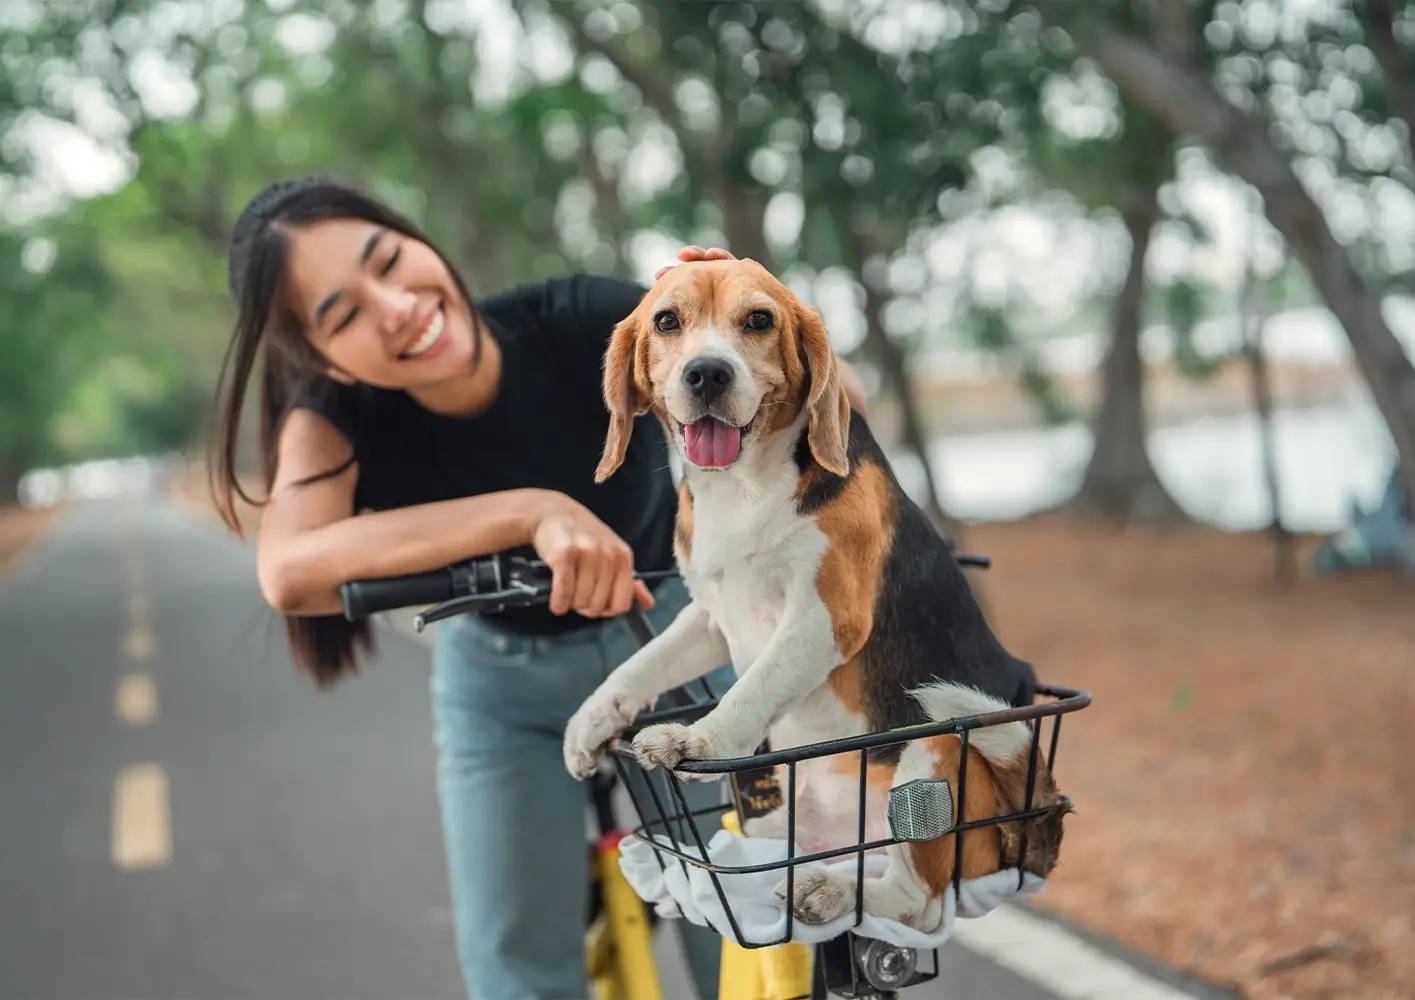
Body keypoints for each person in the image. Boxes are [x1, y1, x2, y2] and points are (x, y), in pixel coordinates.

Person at [210, 176, 864, 1000]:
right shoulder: (331, 416)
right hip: (501, 693)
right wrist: (528, 512)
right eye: (343, 313)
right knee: (515, 968)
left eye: (388, 260)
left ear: (417, 236)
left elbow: (819, 403)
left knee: (754, 930)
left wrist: (744, 310)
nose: (396, 305)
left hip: (681, 647)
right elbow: (290, 570)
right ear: (317, 354)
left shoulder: (580, 317)